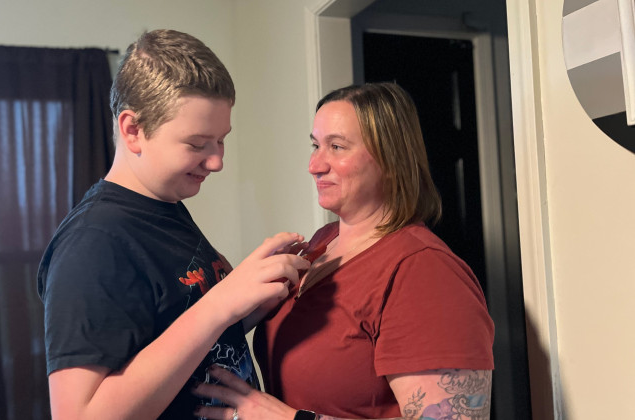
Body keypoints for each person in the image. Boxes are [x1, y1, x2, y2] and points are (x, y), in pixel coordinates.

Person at [36, 29, 310, 420]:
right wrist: (221, 303)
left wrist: (255, 295)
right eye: (198, 144)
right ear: (133, 130)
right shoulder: (93, 242)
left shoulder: (166, 204)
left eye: (221, 140)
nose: (216, 162)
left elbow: (174, 330)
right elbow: (80, 415)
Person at [193, 82, 495, 420]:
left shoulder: (424, 272)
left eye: (337, 147)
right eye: (315, 145)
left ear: (391, 159)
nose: (315, 165)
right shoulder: (321, 243)